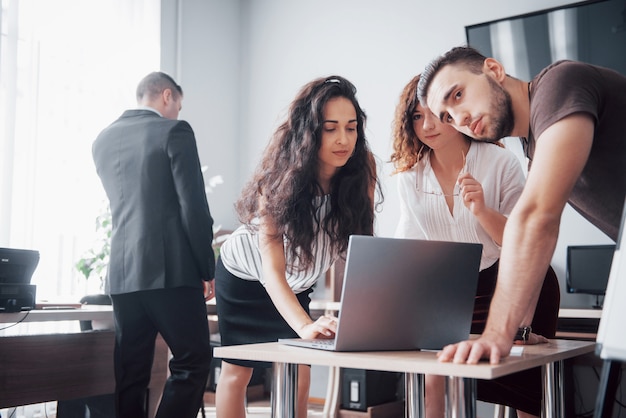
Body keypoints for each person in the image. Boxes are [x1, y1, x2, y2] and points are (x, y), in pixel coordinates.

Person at [417, 46, 626, 366]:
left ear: (494, 70)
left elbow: (536, 219)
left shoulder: (560, 84)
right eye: (447, 116)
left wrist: (496, 334)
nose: (459, 119)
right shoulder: (536, 145)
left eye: (458, 95)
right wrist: (519, 327)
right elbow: (538, 231)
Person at [391, 74, 559, 417]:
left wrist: (482, 210)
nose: (427, 126)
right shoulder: (409, 177)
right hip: (450, 292)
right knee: (433, 377)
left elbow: (524, 241)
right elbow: (409, 248)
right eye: (417, 117)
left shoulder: (500, 162)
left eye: (436, 115)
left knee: (525, 392)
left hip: (509, 282)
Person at [214, 75, 380, 418]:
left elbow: (361, 249)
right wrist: (305, 326)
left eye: (351, 128)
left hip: (299, 281)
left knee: (299, 366)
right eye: (330, 128)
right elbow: (272, 271)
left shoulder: (363, 168)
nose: (343, 139)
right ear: (309, 131)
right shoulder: (277, 179)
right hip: (247, 276)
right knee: (238, 370)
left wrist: (364, 312)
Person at [92, 71, 215, 418]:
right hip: (170, 271)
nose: (177, 111)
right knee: (193, 361)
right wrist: (206, 267)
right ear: (166, 96)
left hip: (121, 275)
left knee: (131, 373)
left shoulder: (102, 140)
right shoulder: (174, 130)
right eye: (178, 103)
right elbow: (193, 207)